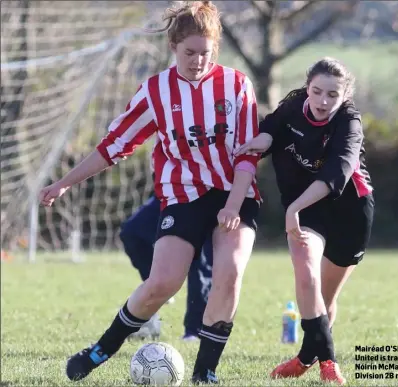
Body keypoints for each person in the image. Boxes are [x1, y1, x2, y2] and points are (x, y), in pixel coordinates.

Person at [39, 1, 261, 384]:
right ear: (173, 46)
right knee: (162, 282)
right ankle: (100, 350)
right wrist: (63, 183)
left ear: (216, 49)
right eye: (189, 53)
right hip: (182, 195)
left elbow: (248, 155)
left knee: (230, 273)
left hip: (234, 193)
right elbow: (113, 146)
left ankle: (204, 372)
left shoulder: (237, 85)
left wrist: (234, 205)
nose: (197, 61)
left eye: (205, 54)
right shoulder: (155, 91)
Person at [236, 57, 375, 385]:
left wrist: (293, 207)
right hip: (306, 210)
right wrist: (262, 141)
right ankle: (328, 362)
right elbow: (273, 127)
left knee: (325, 300)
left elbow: (336, 174)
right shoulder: (294, 104)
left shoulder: (350, 122)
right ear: (306, 87)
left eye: (332, 95)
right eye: (317, 92)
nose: (323, 101)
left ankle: (304, 359)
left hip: (349, 208)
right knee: (307, 272)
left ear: (345, 95)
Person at [120, 190, 213, 341]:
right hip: (169, 190)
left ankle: (194, 331)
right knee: (131, 232)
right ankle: (161, 284)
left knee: (198, 258)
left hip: (204, 192)